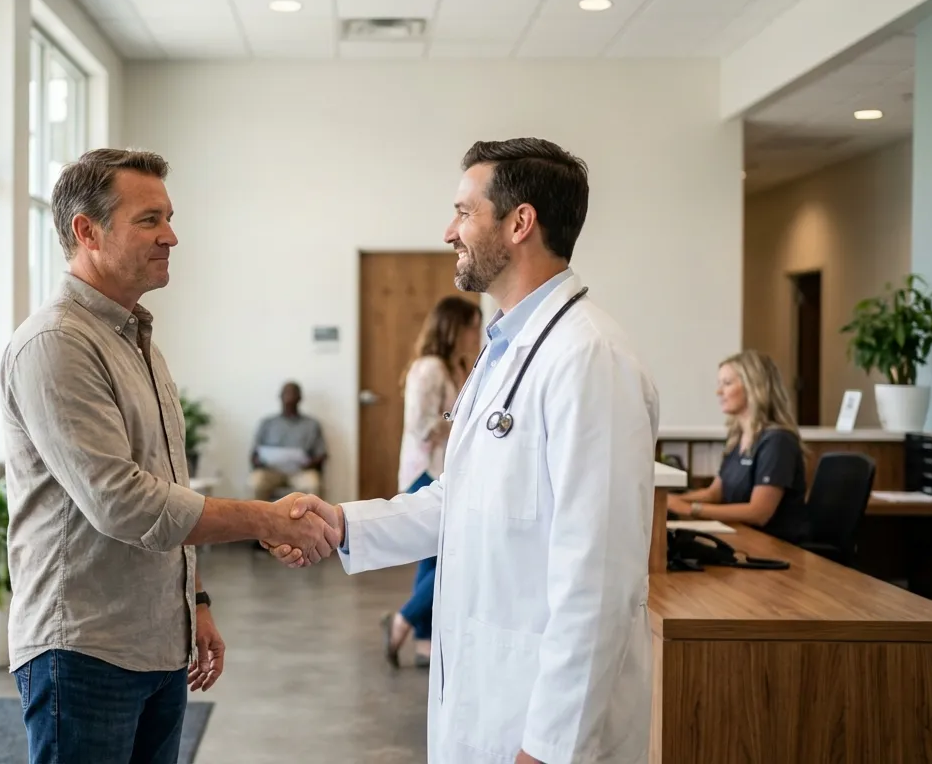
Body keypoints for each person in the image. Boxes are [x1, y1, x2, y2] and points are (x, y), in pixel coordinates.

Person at [272, 138, 661, 764]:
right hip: (483, 697)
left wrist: (549, 747)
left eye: (463, 211)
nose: (449, 230)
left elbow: (600, 576)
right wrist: (343, 523)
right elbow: (459, 497)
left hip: (543, 728)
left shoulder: (589, 358)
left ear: (519, 222)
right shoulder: (505, 350)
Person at [0, 147, 340, 764]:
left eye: (169, 217)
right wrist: (264, 518)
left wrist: (196, 602)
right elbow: (122, 502)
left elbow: (166, 485)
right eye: (150, 220)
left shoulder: (139, 342)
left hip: (157, 642)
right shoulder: (57, 343)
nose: (172, 236)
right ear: (87, 231)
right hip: (84, 650)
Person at [383, 295, 482, 669]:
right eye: (472, 327)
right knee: (444, 560)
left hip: (445, 471)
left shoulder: (454, 367)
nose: (477, 335)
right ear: (454, 328)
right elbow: (421, 426)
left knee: (432, 559)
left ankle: (423, 639)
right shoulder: (428, 369)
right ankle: (404, 620)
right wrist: (461, 421)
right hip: (424, 473)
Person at [667, 350, 810, 544]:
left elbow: (759, 512)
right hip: (742, 537)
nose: (719, 392)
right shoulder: (738, 438)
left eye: (727, 383)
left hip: (774, 547)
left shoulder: (778, 441)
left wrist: (689, 509)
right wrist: (667, 501)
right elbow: (714, 493)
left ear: (753, 387)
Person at [248, 381, 328, 500]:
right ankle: (256, 518)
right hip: (271, 472)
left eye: (293, 393)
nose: (289, 397)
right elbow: (255, 454)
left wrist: (309, 463)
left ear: (300, 398)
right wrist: (259, 462)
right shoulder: (267, 423)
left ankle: (312, 518)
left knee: (313, 484)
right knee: (255, 483)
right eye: (286, 393)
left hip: (300, 472)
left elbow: (321, 455)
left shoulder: (311, 424)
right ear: (280, 397)